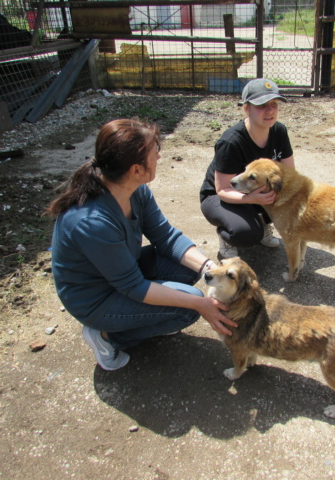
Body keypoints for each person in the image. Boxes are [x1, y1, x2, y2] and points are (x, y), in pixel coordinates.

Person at [46, 118, 235, 371]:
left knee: (192, 269)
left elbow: (165, 236)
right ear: (135, 170)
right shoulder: (91, 222)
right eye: (153, 152)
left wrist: (208, 267)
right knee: (187, 308)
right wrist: (199, 305)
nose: (159, 156)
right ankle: (107, 337)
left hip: (123, 272)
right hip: (96, 298)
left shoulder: (135, 190)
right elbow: (133, 286)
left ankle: (147, 318)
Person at [199, 78, 295, 259]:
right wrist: (252, 198)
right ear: (246, 108)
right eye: (261, 105)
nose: (270, 110)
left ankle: (265, 223)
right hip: (220, 196)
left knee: (290, 198)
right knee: (246, 234)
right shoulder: (231, 141)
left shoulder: (279, 131)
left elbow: (290, 174)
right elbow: (222, 189)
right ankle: (226, 235)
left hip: (254, 191)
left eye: (274, 104)